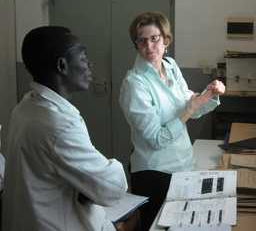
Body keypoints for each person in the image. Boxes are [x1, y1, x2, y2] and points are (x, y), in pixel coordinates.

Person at [2, 26, 137, 231]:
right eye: (83, 58)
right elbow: (112, 188)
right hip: (54, 223)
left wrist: (82, 185)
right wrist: (103, 175)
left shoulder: (25, 107)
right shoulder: (58, 123)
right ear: (63, 65)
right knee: (134, 219)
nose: (89, 65)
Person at [119, 12, 225, 229]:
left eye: (154, 38)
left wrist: (210, 94)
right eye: (142, 40)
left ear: (165, 40)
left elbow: (189, 106)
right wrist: (190, 108)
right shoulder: (134, 83)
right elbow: (157, 139)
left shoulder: (170, 65)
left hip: (183, 165)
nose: (149, 46)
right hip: (154, 175)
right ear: (136, 44)